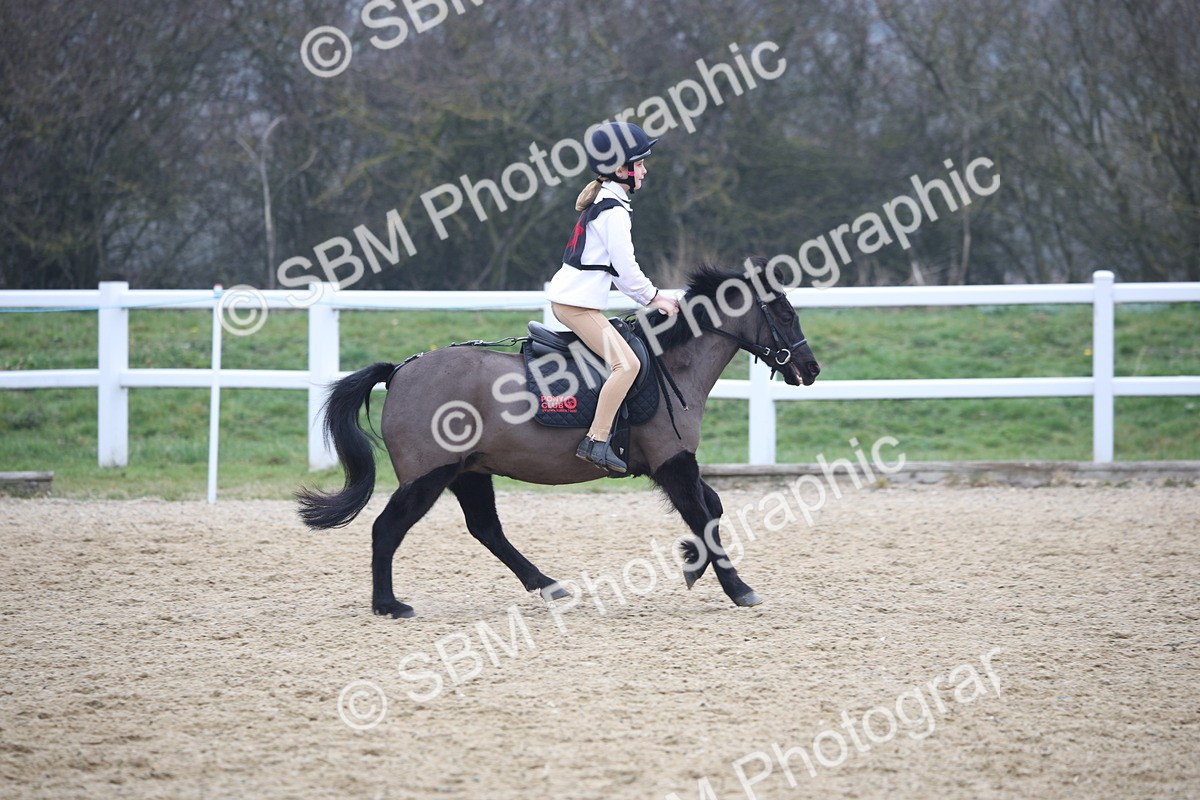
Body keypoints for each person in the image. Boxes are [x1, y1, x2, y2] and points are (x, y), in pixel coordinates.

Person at [546, 121, 681, 473]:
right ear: (621, 170)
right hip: (576, 306)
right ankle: (596, 440)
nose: (644, 169)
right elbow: (626, 270)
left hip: (577, 301)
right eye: (639, 164)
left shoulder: (607, 201)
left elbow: (618, 274)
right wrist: (656, 299)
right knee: (628, 365)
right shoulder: (614, 211)